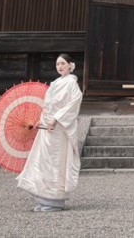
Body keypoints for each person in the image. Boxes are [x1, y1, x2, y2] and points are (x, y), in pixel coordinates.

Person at [17, 53, 83, 212]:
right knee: (43, 161)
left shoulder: (71, 84)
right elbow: (48, 105)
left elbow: (74, 103)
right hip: (47, 127)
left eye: (62, 63)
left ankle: (54, 200)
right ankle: (42, 198)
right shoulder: (55, 83)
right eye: (57, 64)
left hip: (59, 128)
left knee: (55, 161)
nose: (59, 66)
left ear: (70, 65)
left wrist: (56, 118)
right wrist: (42, 118)